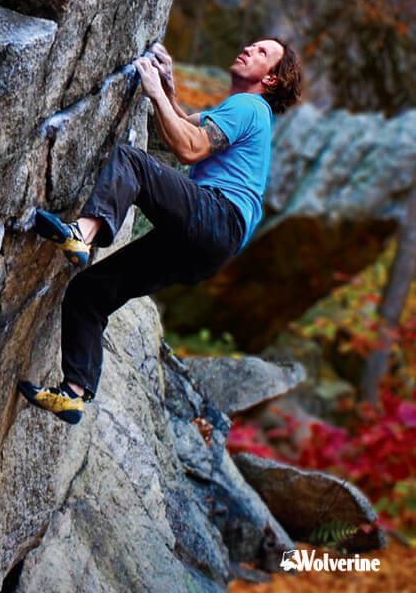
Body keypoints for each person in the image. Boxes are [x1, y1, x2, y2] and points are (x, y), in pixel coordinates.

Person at [18, 38, 302, 425]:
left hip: (217, 217)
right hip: (211, 246)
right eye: (252, 45)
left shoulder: (249, 106)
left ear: (270, 80)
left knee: (133, 163)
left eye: (262, 53)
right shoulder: (246, 112)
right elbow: (187, 124)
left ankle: (82, 233)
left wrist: (151, 89)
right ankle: (74, 393)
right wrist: (166, 88)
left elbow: (190, 148)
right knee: (90, 291)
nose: (249, 49)